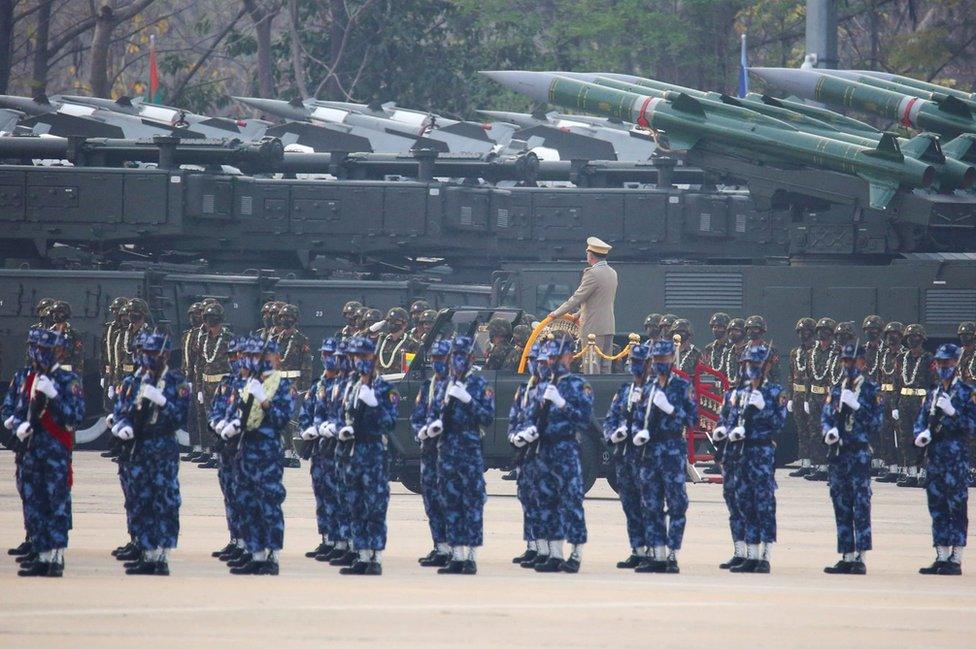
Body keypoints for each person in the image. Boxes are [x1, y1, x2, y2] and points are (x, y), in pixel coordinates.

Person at [114, 332, 189, 576]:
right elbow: (122, 409)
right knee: (140, 499)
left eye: (153, 354)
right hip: (139, 447)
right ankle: (146, 553)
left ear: (165, 355)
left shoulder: (177, 382)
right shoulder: (134, 381)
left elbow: (179, 418)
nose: (148, 358)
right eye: (145, 353)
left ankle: (162, 556)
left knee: (164, 500)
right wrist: (122, 424)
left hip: (162, 448)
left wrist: (164, 403)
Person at [516, 337, 593, 573]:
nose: (553, 362)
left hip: (566, 449)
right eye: (550, 358)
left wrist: (561, 404)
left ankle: (576, 553)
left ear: (569, 357)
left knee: (571, 501)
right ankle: (555, 553)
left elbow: (583, 419)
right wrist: (526, 430)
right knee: (546, 501)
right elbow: (528, 416)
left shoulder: (579, 385)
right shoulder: (540, 387)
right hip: (543, 450)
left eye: (558, 357)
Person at [13, 329, 85, 577]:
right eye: (39, 349)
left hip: (55, 450)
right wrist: (16, 423)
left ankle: (55, 557)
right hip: (32, 450)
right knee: (35, 502)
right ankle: (41, 555)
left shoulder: (68, 381)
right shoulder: (29, 379)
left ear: (60, 352)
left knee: (56, 503)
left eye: (48, 350)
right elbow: (21, 409)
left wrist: (54, 397)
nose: (42, 354)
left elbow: (75, 417)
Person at [221, 337, 295, 575]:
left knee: (269, 502)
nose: (254, 361)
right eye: (250, 357)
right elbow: (232, 411)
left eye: (260, 357)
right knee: (247, 502)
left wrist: (264, 401)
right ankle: (255, 553)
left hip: (268, 451)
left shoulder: (282, 387)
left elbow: (282, 420)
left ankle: (271, 555)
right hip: (246, 450)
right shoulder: (244, 385)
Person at [428, 336, 494, 574]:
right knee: (450, 501)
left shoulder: (478, 384)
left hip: (468, 449)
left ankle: (471, 557)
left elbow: (487, 417)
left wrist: (468, 400)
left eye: (461, 356)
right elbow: (434, 412)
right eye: (453, 356)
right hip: (446, 450)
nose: (456, 361)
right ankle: (456, 555)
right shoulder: (445, 384)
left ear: (471, 358)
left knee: (471, 502)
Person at [631, 339, 697, 573]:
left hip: (671, 450)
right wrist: (637, 433)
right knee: (651, 504)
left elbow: (692, 420)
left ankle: (672, 554)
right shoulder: (648, 388)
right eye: (656, 359)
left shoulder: (681, 386)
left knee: (677, 503)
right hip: (650, 452)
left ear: (672, 359)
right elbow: (638, 418)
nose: (660, 363)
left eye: (664, 359)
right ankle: (657, 554)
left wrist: (670, 408)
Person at [337, 337, 398, 575]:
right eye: (354, 357)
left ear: (372, 358)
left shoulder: (384, 388)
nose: (357, 361)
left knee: (374, 505)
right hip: (352, 452)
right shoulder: (351, 386)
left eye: (362, 357)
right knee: (355, 504)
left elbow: (389, 423)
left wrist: (373, 405)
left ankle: (374, 556)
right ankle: (361, 554)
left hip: (373, 453)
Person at [914, 343, 976, 575]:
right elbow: (921, 420)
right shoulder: (933, 392)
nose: (943, 367)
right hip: (935, 458)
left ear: (956, 363)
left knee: (956, 507)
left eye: (947, 363)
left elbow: (972, 426)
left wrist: (953, 413)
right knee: (937, 507)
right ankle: (941, 555)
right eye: (940, 363)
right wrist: (920, 434)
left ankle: (956, 558)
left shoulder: (967, 393)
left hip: (956, 459)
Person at [821, 342, 882, 575]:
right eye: (845, 361)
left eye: (853, 361)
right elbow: (826, 417)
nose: (848, 365)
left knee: (860, 504)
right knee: (841, 503)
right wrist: (829, 431)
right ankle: (846, 554)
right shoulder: (837, 389)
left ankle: (860, 556)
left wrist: (857, 406)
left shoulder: (871, 390)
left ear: (863, 363)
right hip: (838, 453)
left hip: (858, 453)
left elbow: (877, 423)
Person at [725, 344, 786, 574]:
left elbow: (779, 424)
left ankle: (765, 555)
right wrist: (731, 431)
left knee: (764, 504)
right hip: (741, 453)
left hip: (761, 453)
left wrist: (764, 408)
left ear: (767, 366)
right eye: (749, 364)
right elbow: (731, 419)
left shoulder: (775, 393)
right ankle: (750, 554)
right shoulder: (740, 393)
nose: (752, 368)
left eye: (757, 364)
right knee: (745, 502)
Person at [603, 343, 651, 569]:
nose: (635, 367)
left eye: (640, 363)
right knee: (630, 505)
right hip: (625, 455)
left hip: (647, 456)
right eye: (633, 363)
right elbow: (611, 418)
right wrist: (614, 433)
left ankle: (654, 550)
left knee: (649, 505)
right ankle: (637, 549)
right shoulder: (624, 391)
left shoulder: (656, 392)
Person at [299, 337, 343, 561]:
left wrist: (329, 428)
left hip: (335, 448)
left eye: (332, 355)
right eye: (325, 354)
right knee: (321, 494)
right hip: (318, 449)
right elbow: (305, 411)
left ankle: (340, 540)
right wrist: (307, 429)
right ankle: (326, 538)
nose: (327, 359)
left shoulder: (343, 385)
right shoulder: (318, 385)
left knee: (337, 496)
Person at [547, 237, 617, 374]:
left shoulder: (592, 274)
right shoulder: (612, 273)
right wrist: (577, 314)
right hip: (609, 326)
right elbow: (599, 299)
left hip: (592, 328)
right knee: (605, 367)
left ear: (590, 255)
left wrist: (556, 313)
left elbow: (576, 298)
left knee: (591, 367)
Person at [411, 340, 451, 567]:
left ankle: (455, 549)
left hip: (449, 451)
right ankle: (440, 547)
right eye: (434, 358)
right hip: (429, 451)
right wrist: (421, 431)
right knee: (431, 500)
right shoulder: (429, 386)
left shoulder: (458, 386)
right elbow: (417, 416)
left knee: (450, 500)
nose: (437, 363)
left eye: (441, 359)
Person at [208, 337, 246, 563]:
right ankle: (234, 539)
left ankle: (247, 543)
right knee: (229, 495)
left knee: (243, 496)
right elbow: (215, 410)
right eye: (231, 356)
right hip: (226, 448)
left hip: (243, 447)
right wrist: (217, 424)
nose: (234, 360)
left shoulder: (253, 384)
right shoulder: (225, 384)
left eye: (238, 356)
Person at [509, 343, 546, 567]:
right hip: (526, 452)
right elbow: (514, 417)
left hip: (543, 452)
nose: (535, 365)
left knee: (542, 500)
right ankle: (532, 545)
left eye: (539, 361)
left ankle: (544, 547)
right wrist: (515, 436)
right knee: (526, 497)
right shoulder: (525, 389)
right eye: (532, 360)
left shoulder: (549, 389)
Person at [194, 302, 234, 469]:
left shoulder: (228, 338)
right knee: (210, 421)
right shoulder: (203, 339)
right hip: (206, 383)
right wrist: (198, 388)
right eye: (207, 318)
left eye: (213, 318)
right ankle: (212, 452)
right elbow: (200, 364)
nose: (210, 321)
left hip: (222, 384)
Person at [275, 303, 312, 469]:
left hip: (294, 383)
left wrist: (303, 387)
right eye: (282, 317)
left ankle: (295, 454)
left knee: (293, 421)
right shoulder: (276, 339)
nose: (284, 320)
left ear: (295, 320)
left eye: (288, 317)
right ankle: (286, 452)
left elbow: (307, 365)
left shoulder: (301, 340)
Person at [897, 324, 933, 488]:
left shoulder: (929, 359)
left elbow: (935, 383)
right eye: (909, 337)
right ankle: (911, 473)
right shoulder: (901, 358)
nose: (912, 340)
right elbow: (897, 382)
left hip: (922, 402)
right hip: (904, 401)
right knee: (905, 438)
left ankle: (924, 473)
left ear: (922, 339)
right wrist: (895, 405)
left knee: (922, 438)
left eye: (915, 337)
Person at [804, 317, 837, 482]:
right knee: (815, 431)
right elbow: (808, 377)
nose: (822, 334)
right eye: (820, 331)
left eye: (826, 331)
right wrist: (806, 398)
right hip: (814, 396)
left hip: (828, 397)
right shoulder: (811, 353)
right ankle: (820, 466)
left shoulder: (837, 352)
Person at [876, 322, 904, 483]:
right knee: (884, 434)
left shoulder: (904, 355)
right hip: (884, 396)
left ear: (900, 337)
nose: (890, 338)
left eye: (894, 335)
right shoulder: (884, 354)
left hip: (898, 397)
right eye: (887, 335)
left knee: (901, 435)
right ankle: (891, 467)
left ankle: (904, 468)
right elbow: (880, 377)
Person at [787, 318, 815, 477]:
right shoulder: (794, 353)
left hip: (811, 395)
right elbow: (791, 376)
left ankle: (818, 463)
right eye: (800, 332)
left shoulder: (816, 351)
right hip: (797, 395)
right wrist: (790, 397)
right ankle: (805, 463)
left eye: (805, 331)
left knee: (814, 430)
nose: (803, 334)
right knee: (802, 430)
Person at [376, 307, 411, 373]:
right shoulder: (380, 341)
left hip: (400, 381)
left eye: (395, 321)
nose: (391, 323)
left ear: (405, 324)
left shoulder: (411, 344)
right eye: (389, 321)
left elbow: (407, 370)